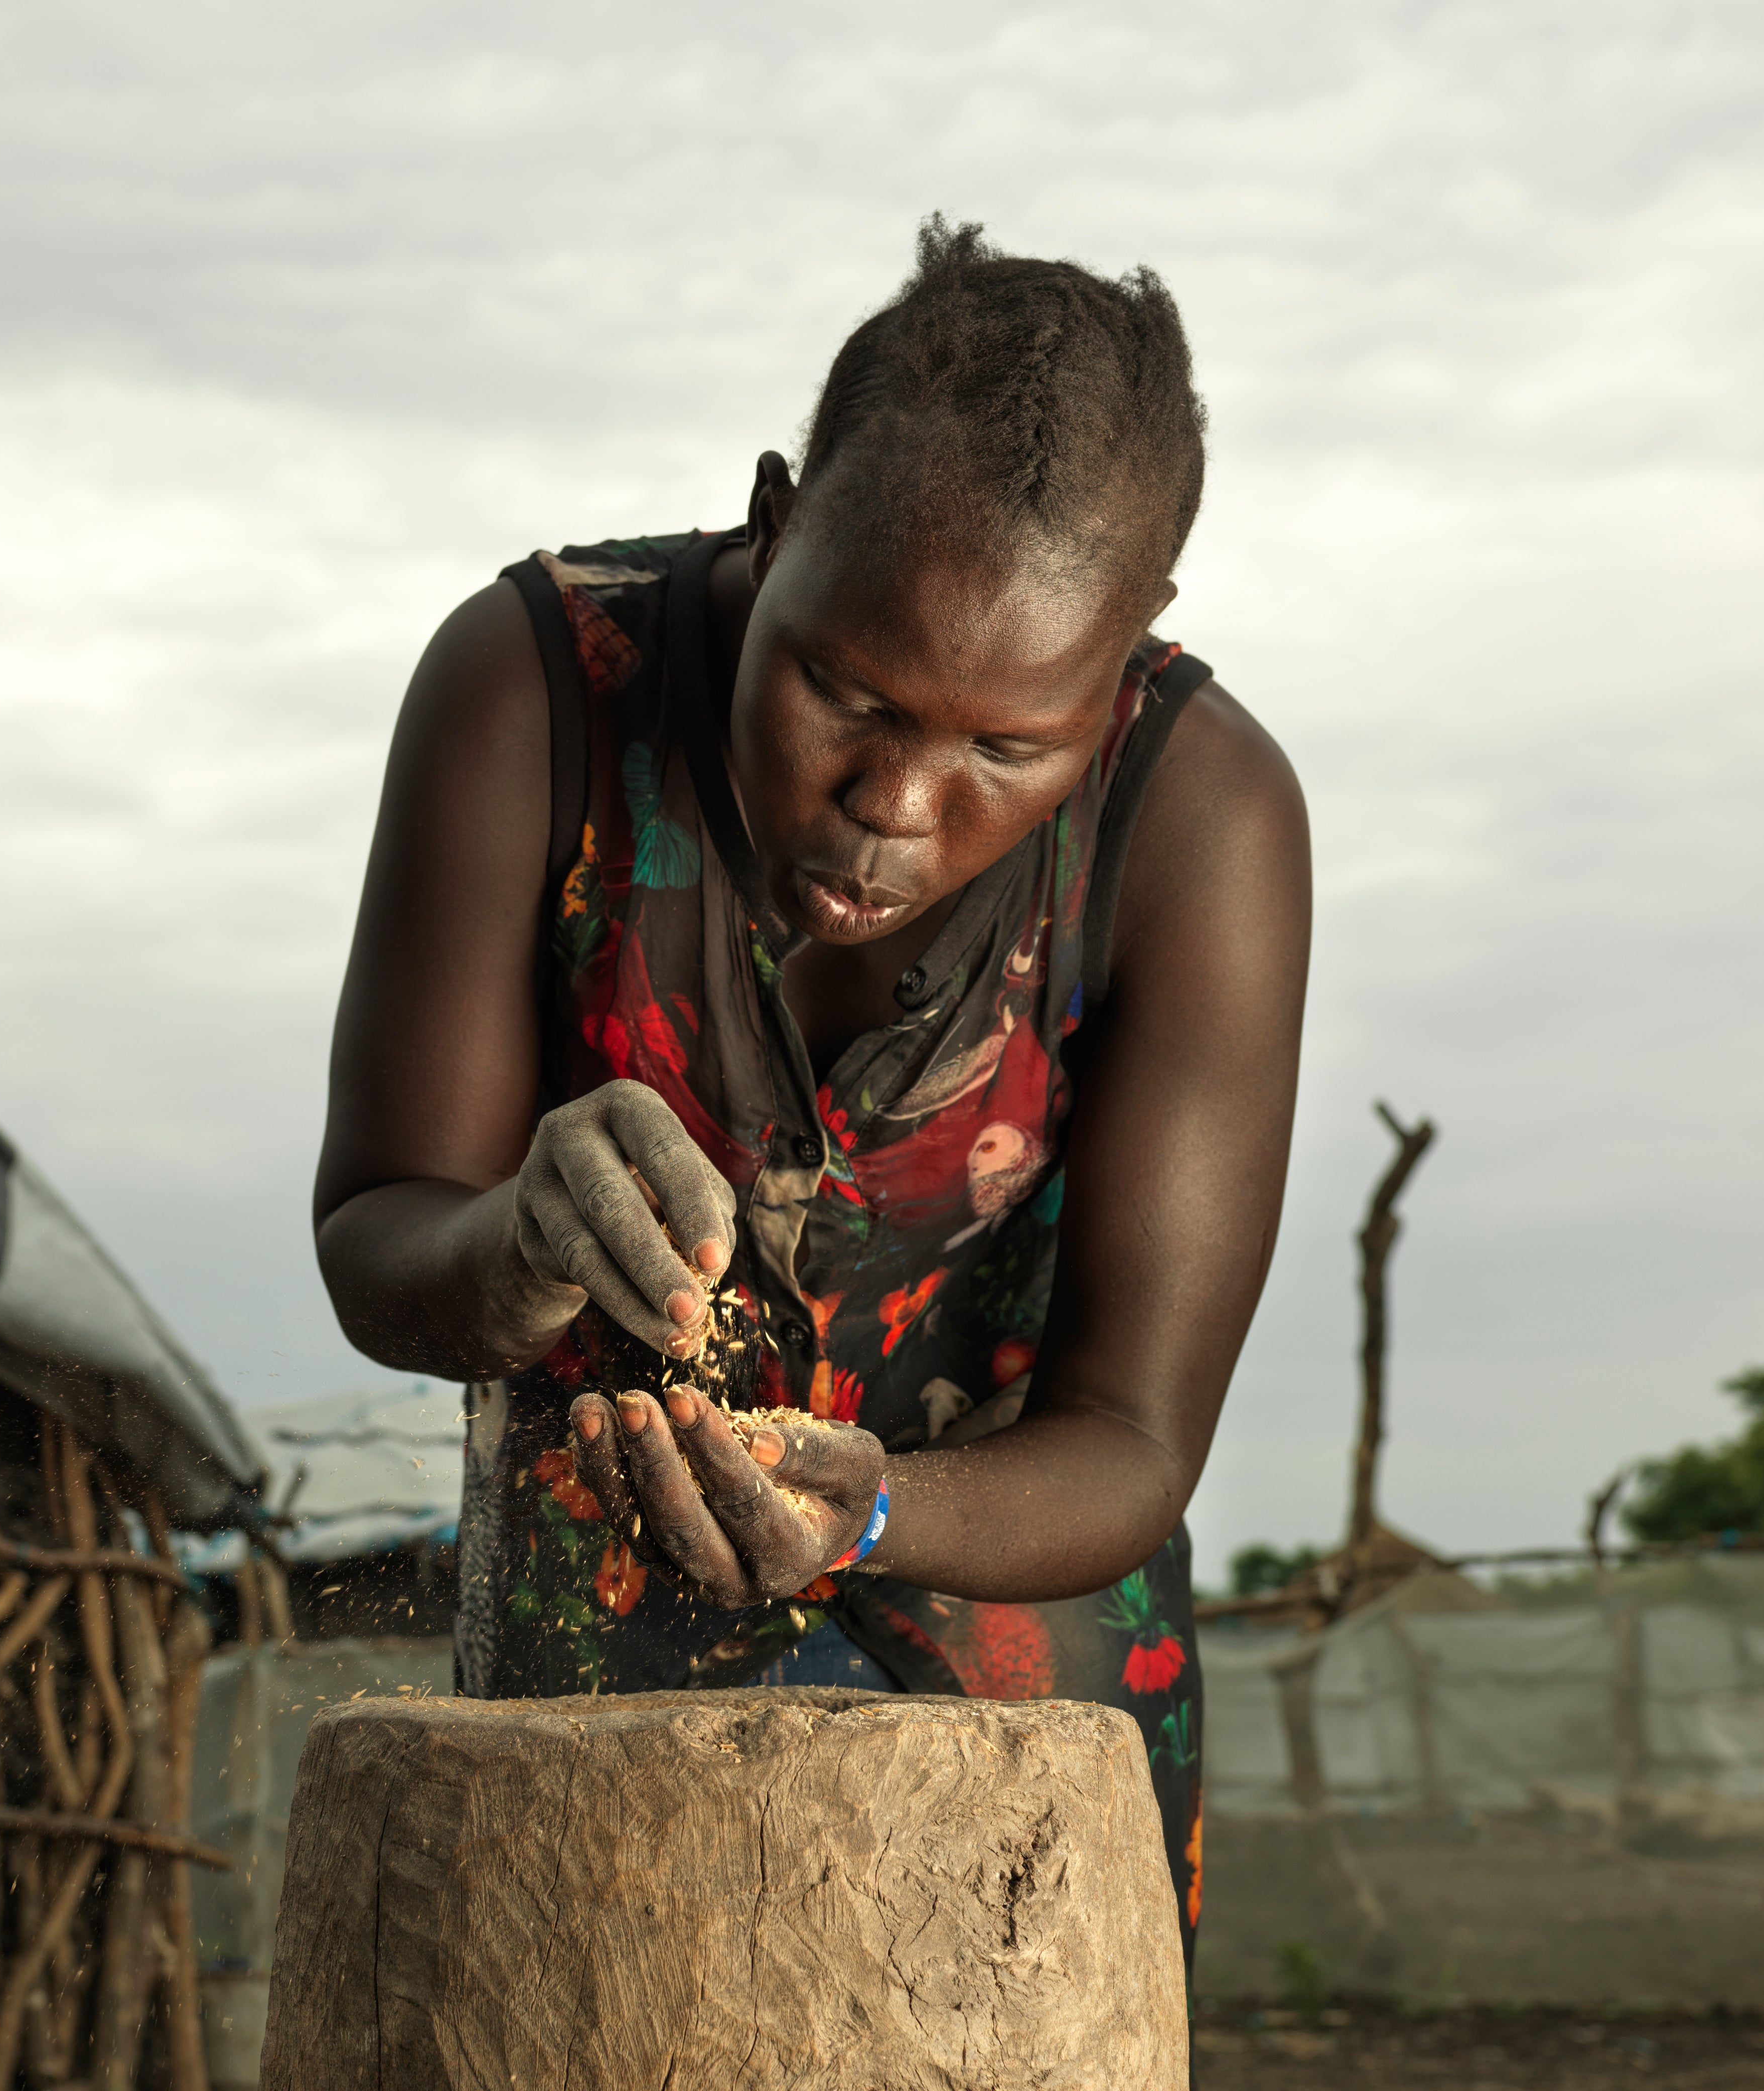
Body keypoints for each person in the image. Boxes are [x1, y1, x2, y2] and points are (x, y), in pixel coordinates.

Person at [312, 218, 1309, 1963]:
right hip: (596, 1654)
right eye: (842, 690)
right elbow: (379, 1240)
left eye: (1011, 749)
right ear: (773, 523)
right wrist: (524, 1241)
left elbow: (1135, 1440)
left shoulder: (1200, 824)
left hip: (1026, 1683)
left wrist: (877, 1506)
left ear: (1131, 653)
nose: (898, 805)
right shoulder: (533, 695)